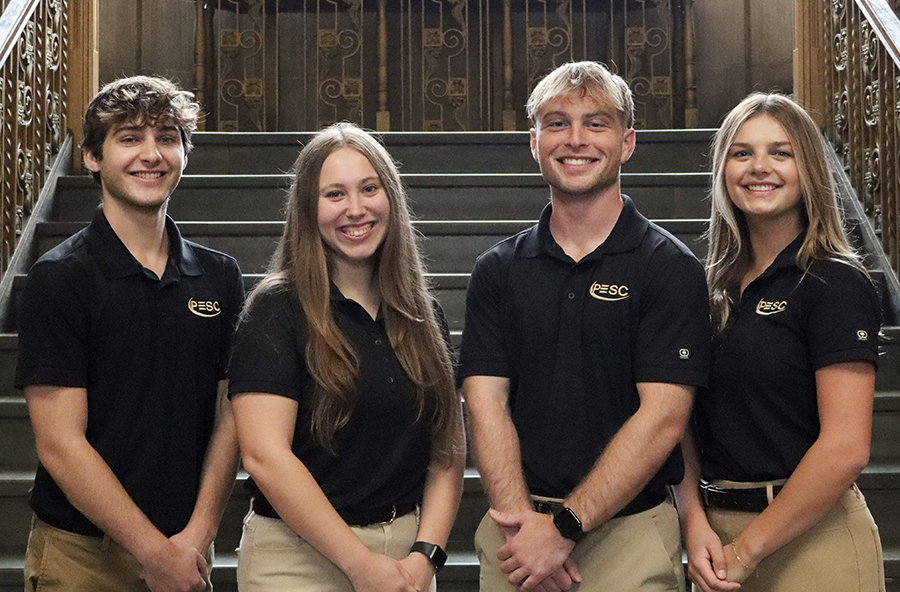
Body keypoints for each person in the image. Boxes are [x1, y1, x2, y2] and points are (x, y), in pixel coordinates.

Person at [458, 61, 711, 592]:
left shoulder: (668, 266)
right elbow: (485, 406)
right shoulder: (497, 271)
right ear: (534, 141)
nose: (575, 139)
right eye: (556, 123)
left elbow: (664, 418)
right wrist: (526, 533)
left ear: (627, 141)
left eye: (596, 123)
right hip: (516, 537)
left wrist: (564, 530)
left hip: (629, 535)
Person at [15, 76, 244, 592]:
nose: (152, 154)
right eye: (129, 137)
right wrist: (151, 551)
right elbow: (60, 444)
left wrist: (197, 535)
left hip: (187, 549)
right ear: (93, 157)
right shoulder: (60, 277)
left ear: (185, 154)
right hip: (82, 555)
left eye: (167, 137)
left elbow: (231, 415)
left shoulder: (220, 276)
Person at [227, 122, 465, 592]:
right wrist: (359, 564)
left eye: (369, 189)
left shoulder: (423, 315)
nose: (356, 209)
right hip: (297, 560)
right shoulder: (276, 308)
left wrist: (426, 556)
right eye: (334, 194)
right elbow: (264, 456)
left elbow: (447, 454)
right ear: (308, 210)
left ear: (390, 198)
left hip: (406, 560)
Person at [673, 92, 885, 592]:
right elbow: (677, 421)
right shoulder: (710, 290)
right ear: (723, 169)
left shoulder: (836, 284)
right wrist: (694, 522)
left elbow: (846, 448)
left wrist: (748, 550)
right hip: (716, 540)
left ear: (808, 168)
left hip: (813, 540)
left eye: (780, 152)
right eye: (741, 153)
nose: (759, 167)